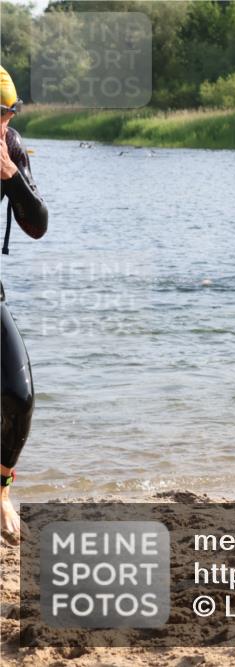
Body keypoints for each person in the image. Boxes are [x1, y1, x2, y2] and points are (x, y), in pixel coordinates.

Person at [1, 66, 49, 543]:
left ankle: (0, 489)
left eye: (1, 112)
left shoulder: (11, 146)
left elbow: (38, 224)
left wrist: (12, 176)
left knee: (20, 396)